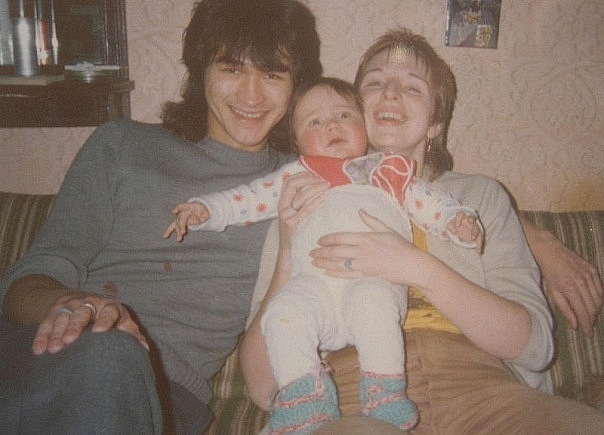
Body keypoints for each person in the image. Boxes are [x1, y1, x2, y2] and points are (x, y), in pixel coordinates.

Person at [240, 28, 604, 433]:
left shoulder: (479, 198)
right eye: (375, 83)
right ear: (356, 108)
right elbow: (261, 385)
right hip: (351, 398)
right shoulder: (302, 198)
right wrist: (288, 250)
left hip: (484, 392)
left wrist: (416, 267)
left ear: (435, 122)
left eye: (412, 87)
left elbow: (535, 347)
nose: (390, 93)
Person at [0, 0, 322, 433]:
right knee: (106, 349)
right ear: (200, 70)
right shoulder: (121, 146)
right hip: (42, 357)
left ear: (297, 84)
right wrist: (74, 305)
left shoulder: (299, 187)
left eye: (272, 74)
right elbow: (25, 285)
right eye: (230, 68)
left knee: (113, 354)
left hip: (166, 397)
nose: (251, 95)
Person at [163, 77, 483, 432]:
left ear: (364, 126)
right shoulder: (296, 176)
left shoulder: (388, 172)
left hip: (372, 282)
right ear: (297, 142)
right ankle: (306, 398)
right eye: (314, 121)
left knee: (374, 304)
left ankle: (385, 395)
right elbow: (246, 199)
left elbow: (432, 204)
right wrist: (206, 210)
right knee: (282, 314)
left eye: (344, 115)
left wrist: (457, 221)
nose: (332, 125)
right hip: (313, 289)